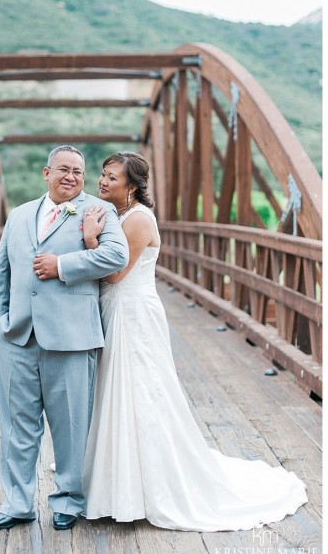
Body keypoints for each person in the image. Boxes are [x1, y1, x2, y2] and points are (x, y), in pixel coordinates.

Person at [81, 151, 307, 531]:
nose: (102, 182)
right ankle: (115, 478)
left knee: (139, 391)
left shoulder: (137, 220)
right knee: (115, 390)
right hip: (116, 311)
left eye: (112, 178)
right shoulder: (118, 215)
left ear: (132, 186)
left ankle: (142, 486)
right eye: (102, 175)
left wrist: (89, 239)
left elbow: (116, 275)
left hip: (131, 314)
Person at [0, 145, 129, 531]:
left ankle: (68, 499)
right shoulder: (18, 216)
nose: (71, 177)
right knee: (16, 426)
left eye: (79, 172)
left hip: (72, 336)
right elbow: (2, 270)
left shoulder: (99, 210)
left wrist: (62, 265)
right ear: (46, 173)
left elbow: (117, 255)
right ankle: (16, 503)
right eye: (63, 170)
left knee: (70, 426)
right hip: (17, 336)